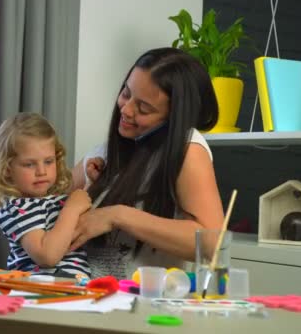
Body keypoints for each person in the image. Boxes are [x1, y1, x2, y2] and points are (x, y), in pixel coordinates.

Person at [69, 47, 225, 279]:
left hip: (140, 307)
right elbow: (47, 202)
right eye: (126, 93)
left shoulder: (188, 149)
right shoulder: (103, 153)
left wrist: (117, 216)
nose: (127, 109)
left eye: (143, 108)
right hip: (81, 299)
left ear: (173, 118)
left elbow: (212, 242)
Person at [0, 112, 92, 277]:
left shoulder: (54, 201)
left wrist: (90, 181)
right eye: (29, 164)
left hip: (74, 288)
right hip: (40, 288)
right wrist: (72, 209)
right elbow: (47, 256)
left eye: (48, 161)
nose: (41, 172)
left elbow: (78, 220)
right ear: (7, 169)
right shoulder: (16, 208)